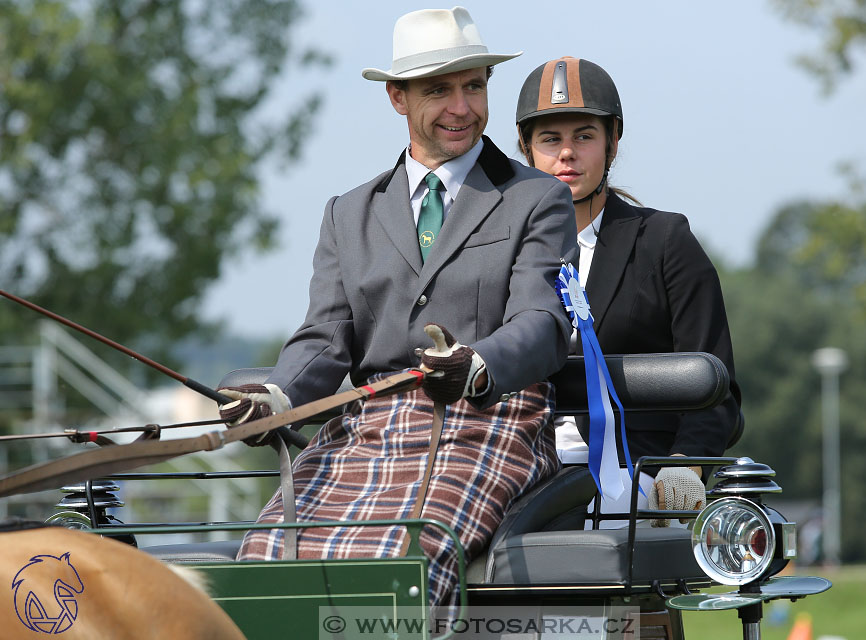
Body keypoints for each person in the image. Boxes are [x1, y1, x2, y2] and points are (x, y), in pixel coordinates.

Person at [216, 9, 576, 605]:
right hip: (366, 429)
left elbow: (543, 323)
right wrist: (277, 400)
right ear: (396, 97)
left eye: (474, 86)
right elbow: (325, 338)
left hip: (490, 421)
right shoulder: (347, 213)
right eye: (439, 90)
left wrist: (477, 364)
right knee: (266, 558)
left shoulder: (536, 198)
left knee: (399, 563)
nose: (462, 107)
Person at [515, 57, 742, 526]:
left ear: (612, 142)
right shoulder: (500, 253)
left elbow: (719, 391)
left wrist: (684, 466)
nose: (567, 154)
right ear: (526, 148)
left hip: (634, 476)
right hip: (521, 470)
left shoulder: (664, 242)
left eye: (584, 136)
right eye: (550, 139)